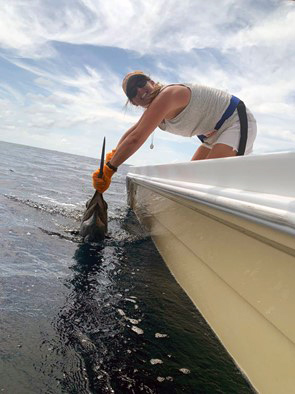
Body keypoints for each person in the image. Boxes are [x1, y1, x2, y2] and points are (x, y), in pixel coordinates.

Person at [92, 70, 257, 193]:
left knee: (205, 180)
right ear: (133, 102)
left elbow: (136, 138)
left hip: (236, 121)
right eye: (133, 92)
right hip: (213, 135)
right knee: (190, 180)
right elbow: (133, 132)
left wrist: (109, 169)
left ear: (151, 81)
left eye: (141, 83)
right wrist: (112, 156)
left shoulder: (168, 95)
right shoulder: (154, 110)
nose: (140, 91)